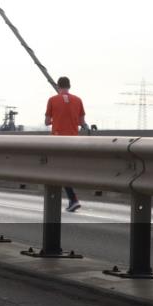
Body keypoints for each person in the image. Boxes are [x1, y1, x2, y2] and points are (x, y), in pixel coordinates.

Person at [44, 76, 86, 212]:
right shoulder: (78, 100)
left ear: (58, 86)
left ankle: (72, 199)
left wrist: (56, 119)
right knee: (67, 169)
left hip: (58, 140)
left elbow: (46, 121)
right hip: (74, 140)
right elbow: (81, 122)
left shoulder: (52, 100)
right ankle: (71, 198)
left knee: (59, 170)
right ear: (70, 86)